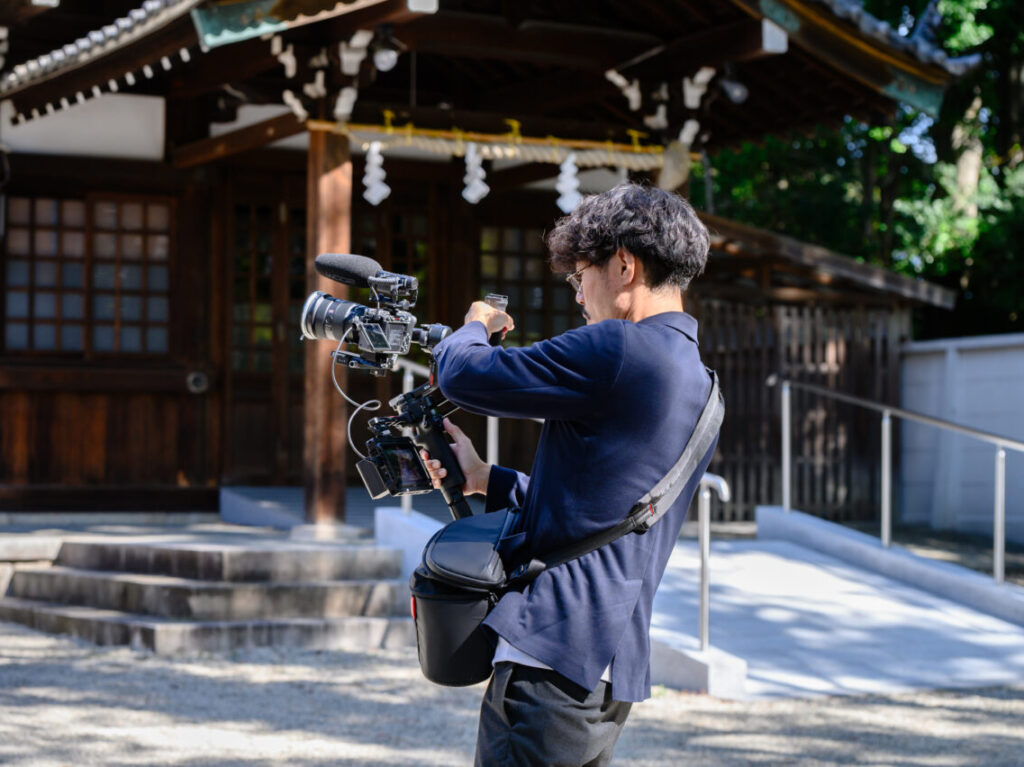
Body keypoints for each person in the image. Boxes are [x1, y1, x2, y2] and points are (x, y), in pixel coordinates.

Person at [422, 182, 717, 766]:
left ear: (624, 265)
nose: (579, 294)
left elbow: (464, 375)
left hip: (553, 646)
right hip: (608, 663)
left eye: (580, 275)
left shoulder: (619, 349)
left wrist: (474, 324)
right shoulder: (704, 385)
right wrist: (486, 477)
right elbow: (611, 511)